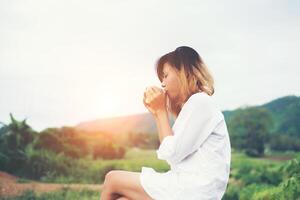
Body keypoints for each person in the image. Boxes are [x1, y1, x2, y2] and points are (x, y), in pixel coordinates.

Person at [100, 46, 231, 200]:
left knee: (112, 179)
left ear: (183, 72)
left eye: (165, 75)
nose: (162, 83)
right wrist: (157, 113)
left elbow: (172, 154)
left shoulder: (200, 101)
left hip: (193, 191)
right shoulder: (195, 106)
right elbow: (170, 153)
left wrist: (161, 112)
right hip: (190, 189)